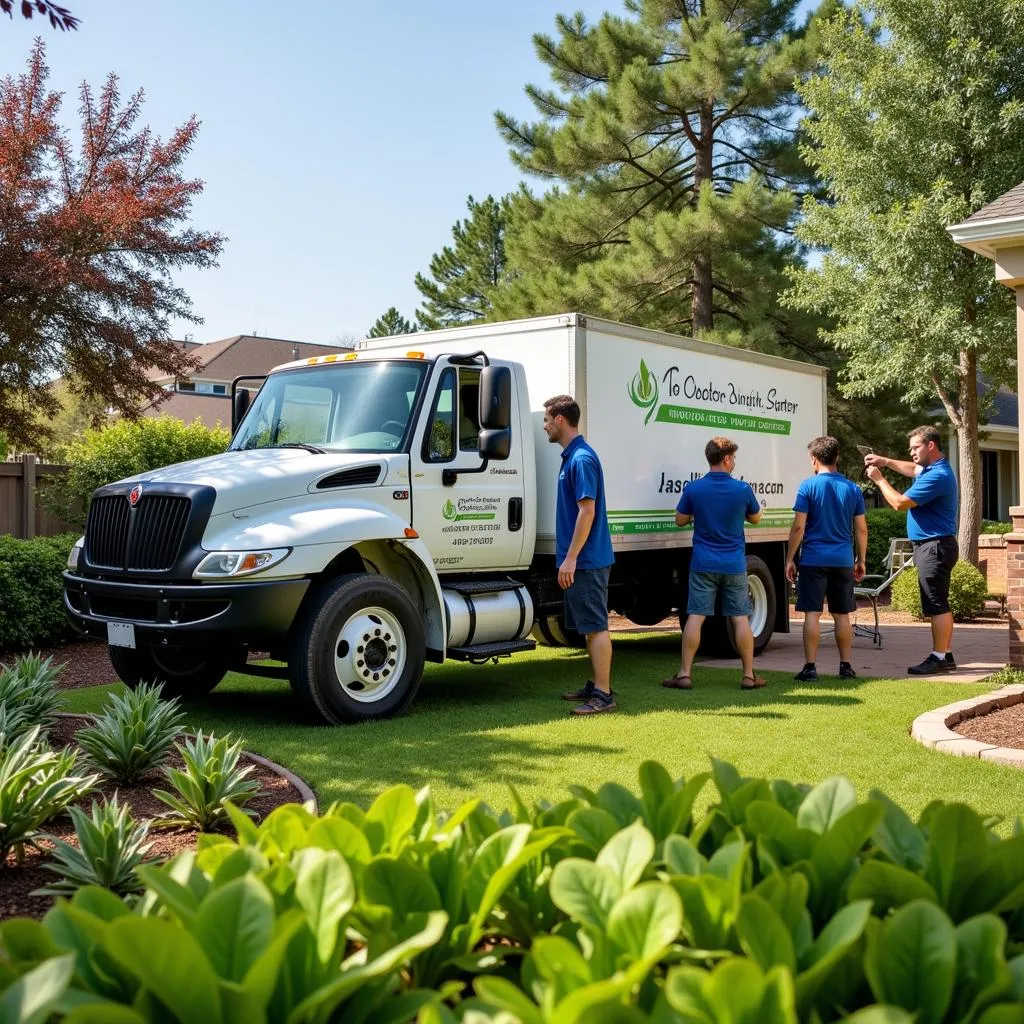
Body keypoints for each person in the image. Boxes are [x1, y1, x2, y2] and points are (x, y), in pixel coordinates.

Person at [662, 436, 766, 691]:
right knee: (740, 619)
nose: (734, 464)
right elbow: (756, 518)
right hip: (733, 565)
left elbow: (679, 519)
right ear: (727, 458)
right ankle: (749, 676)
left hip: (703, 564)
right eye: (734, 459)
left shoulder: (694, 489)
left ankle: (685, 673)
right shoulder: (742, 490)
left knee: (695, 617)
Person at [542, 394, 617, 714]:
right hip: (581, 559)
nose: (544, 426)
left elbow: (587, 512)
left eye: (546, 420)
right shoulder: (572, 457)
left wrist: (571, 558)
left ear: (560, 420)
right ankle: (596, 683)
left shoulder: (581, 459)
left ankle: (603, 694)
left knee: (597, 626)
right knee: (588, 626)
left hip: (587, 560)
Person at [865, 426, 959, 675]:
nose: (912, 453)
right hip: (935, 545)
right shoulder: (932, 469)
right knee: (939, 602)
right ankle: (945, 654)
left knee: (936, 604)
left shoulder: (937, 476)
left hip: (934, 547)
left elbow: (899, 503)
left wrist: (879, 478)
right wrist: (885, 461)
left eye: (916, 447)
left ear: (931, 446)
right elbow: (911, 468)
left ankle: (938, 658)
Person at [785, 436, 868, 681]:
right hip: (842, 560)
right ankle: (846, 666)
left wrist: (790, 558)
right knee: (842, 615)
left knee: (812, 614)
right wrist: (860, 559)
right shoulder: (853, 489)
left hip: (813, 559)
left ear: (814, 459)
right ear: (837, 458)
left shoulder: (807, 487)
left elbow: (798, 527)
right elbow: (861, 529)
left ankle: (810, 668)